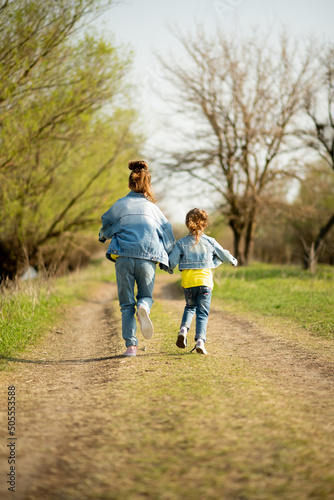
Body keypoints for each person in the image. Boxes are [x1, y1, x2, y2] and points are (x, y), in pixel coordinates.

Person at [98, 160, 175, 357]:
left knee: (125, 305)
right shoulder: (154, 210)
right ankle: (143, 307)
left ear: (130, 183)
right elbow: (167, 233)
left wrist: (103, 235)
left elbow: (106, 223)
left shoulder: (120, 205)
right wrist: (169, 259)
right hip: (147, 259)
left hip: (124, 258)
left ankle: (131, 346)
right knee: (146, 296)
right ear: (147, 184)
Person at [167, 208, 237, 355]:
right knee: (202, 313)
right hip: (205, 283)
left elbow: (171, 262)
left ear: (187, 224)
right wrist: (233, 261)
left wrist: (165, 266)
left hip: (188, 283)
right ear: (204, 225)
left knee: (190, 307)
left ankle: (183, 330)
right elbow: (224, 254)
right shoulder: (210, 242)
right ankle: (200, 341)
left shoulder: (181, 243)